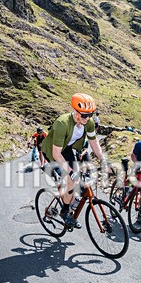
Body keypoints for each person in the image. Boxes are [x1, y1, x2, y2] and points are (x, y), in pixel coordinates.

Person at [41, 93, 110, 228]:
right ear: (75, 111)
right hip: (52, 151)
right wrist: (70, 171)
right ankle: (65, 211)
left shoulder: (89, 122)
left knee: (77, 180)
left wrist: (103, 160)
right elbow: (56, 154)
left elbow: (94, 142)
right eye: (84, 115)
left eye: (90, 114)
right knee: (71, 180)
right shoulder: (62, 123)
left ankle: (70, 200)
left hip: (66, 149)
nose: (87, 118)